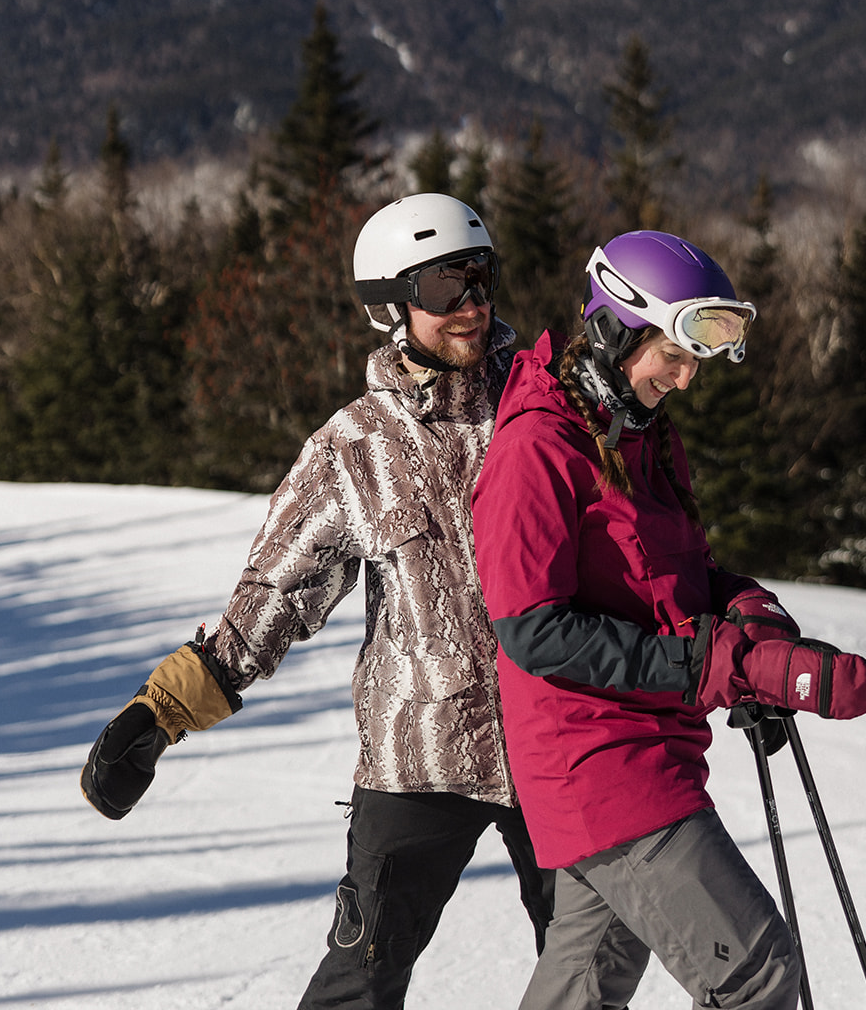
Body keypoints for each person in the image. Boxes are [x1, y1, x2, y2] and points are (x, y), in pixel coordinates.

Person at [80, 194, 645, 1010]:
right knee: (359, 981)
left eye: (480, 279)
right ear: (391, 303)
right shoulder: (353, 448)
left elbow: (634, 547)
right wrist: (159, 712)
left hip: (552, 741)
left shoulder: (548, 411)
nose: (473, 305)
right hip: (417, 756)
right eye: (444, 287)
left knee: (589, 979)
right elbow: (272, 597)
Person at [472, 230, 866, 1010]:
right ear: (614, 328)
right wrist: (722, 665)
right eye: (673, 353)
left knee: (583, 989)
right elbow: (532, 631)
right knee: (754, 973)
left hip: (648, 752)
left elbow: (671, 573)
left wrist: (748, 611)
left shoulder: (637, 433)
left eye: (697, 360)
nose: (686, 379)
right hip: (598, 762)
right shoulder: (538, 449)